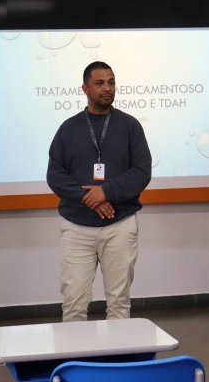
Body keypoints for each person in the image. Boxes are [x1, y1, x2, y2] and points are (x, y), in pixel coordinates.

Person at [46, 61, 152, 322]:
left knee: (119, 303)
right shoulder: (68, 128)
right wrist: (88, 197)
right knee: (74, 304)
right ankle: (75, 351)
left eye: (111, 82)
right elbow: (55, 175)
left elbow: (142, 171)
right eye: (100, 83)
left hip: (120, 225)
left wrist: (106, 192)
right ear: (85, 88)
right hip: (77, 228)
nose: (108, 88)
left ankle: (118, 350)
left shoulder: (130, 126)